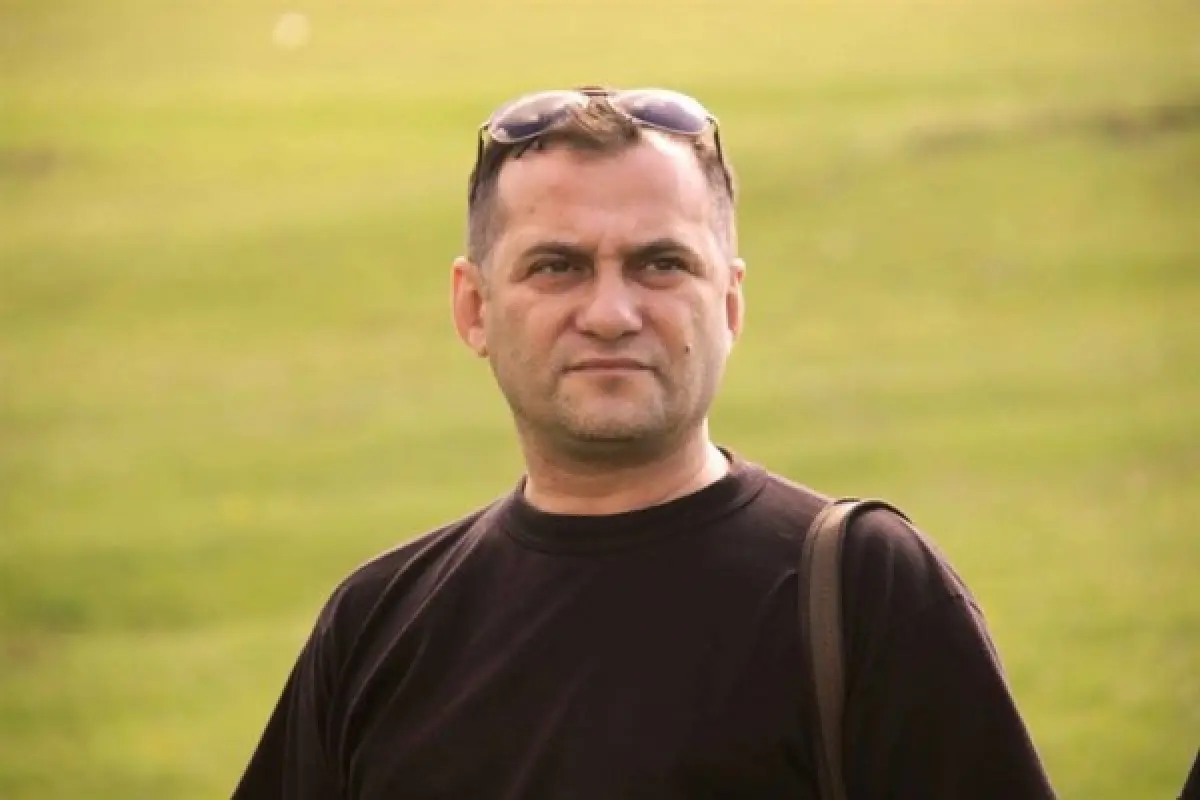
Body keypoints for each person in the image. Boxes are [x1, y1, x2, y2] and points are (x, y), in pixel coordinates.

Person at [232, 86, 1057, 799]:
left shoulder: (863, 593)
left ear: (729, 303)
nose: (610, 314)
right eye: (556, 266)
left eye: (660, 264)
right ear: (474, 308)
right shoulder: (377, 625)